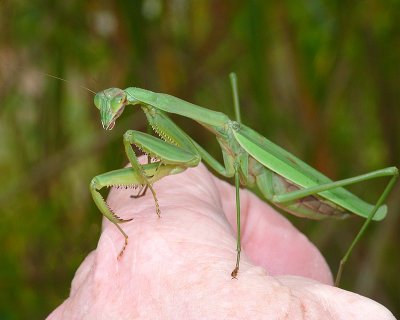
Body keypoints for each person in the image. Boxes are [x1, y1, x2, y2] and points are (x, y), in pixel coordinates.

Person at [47, 162, 395, 319]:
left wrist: (237, 266)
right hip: (274, 189)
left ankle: (345, 259)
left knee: (388, 174)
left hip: (302, 191)